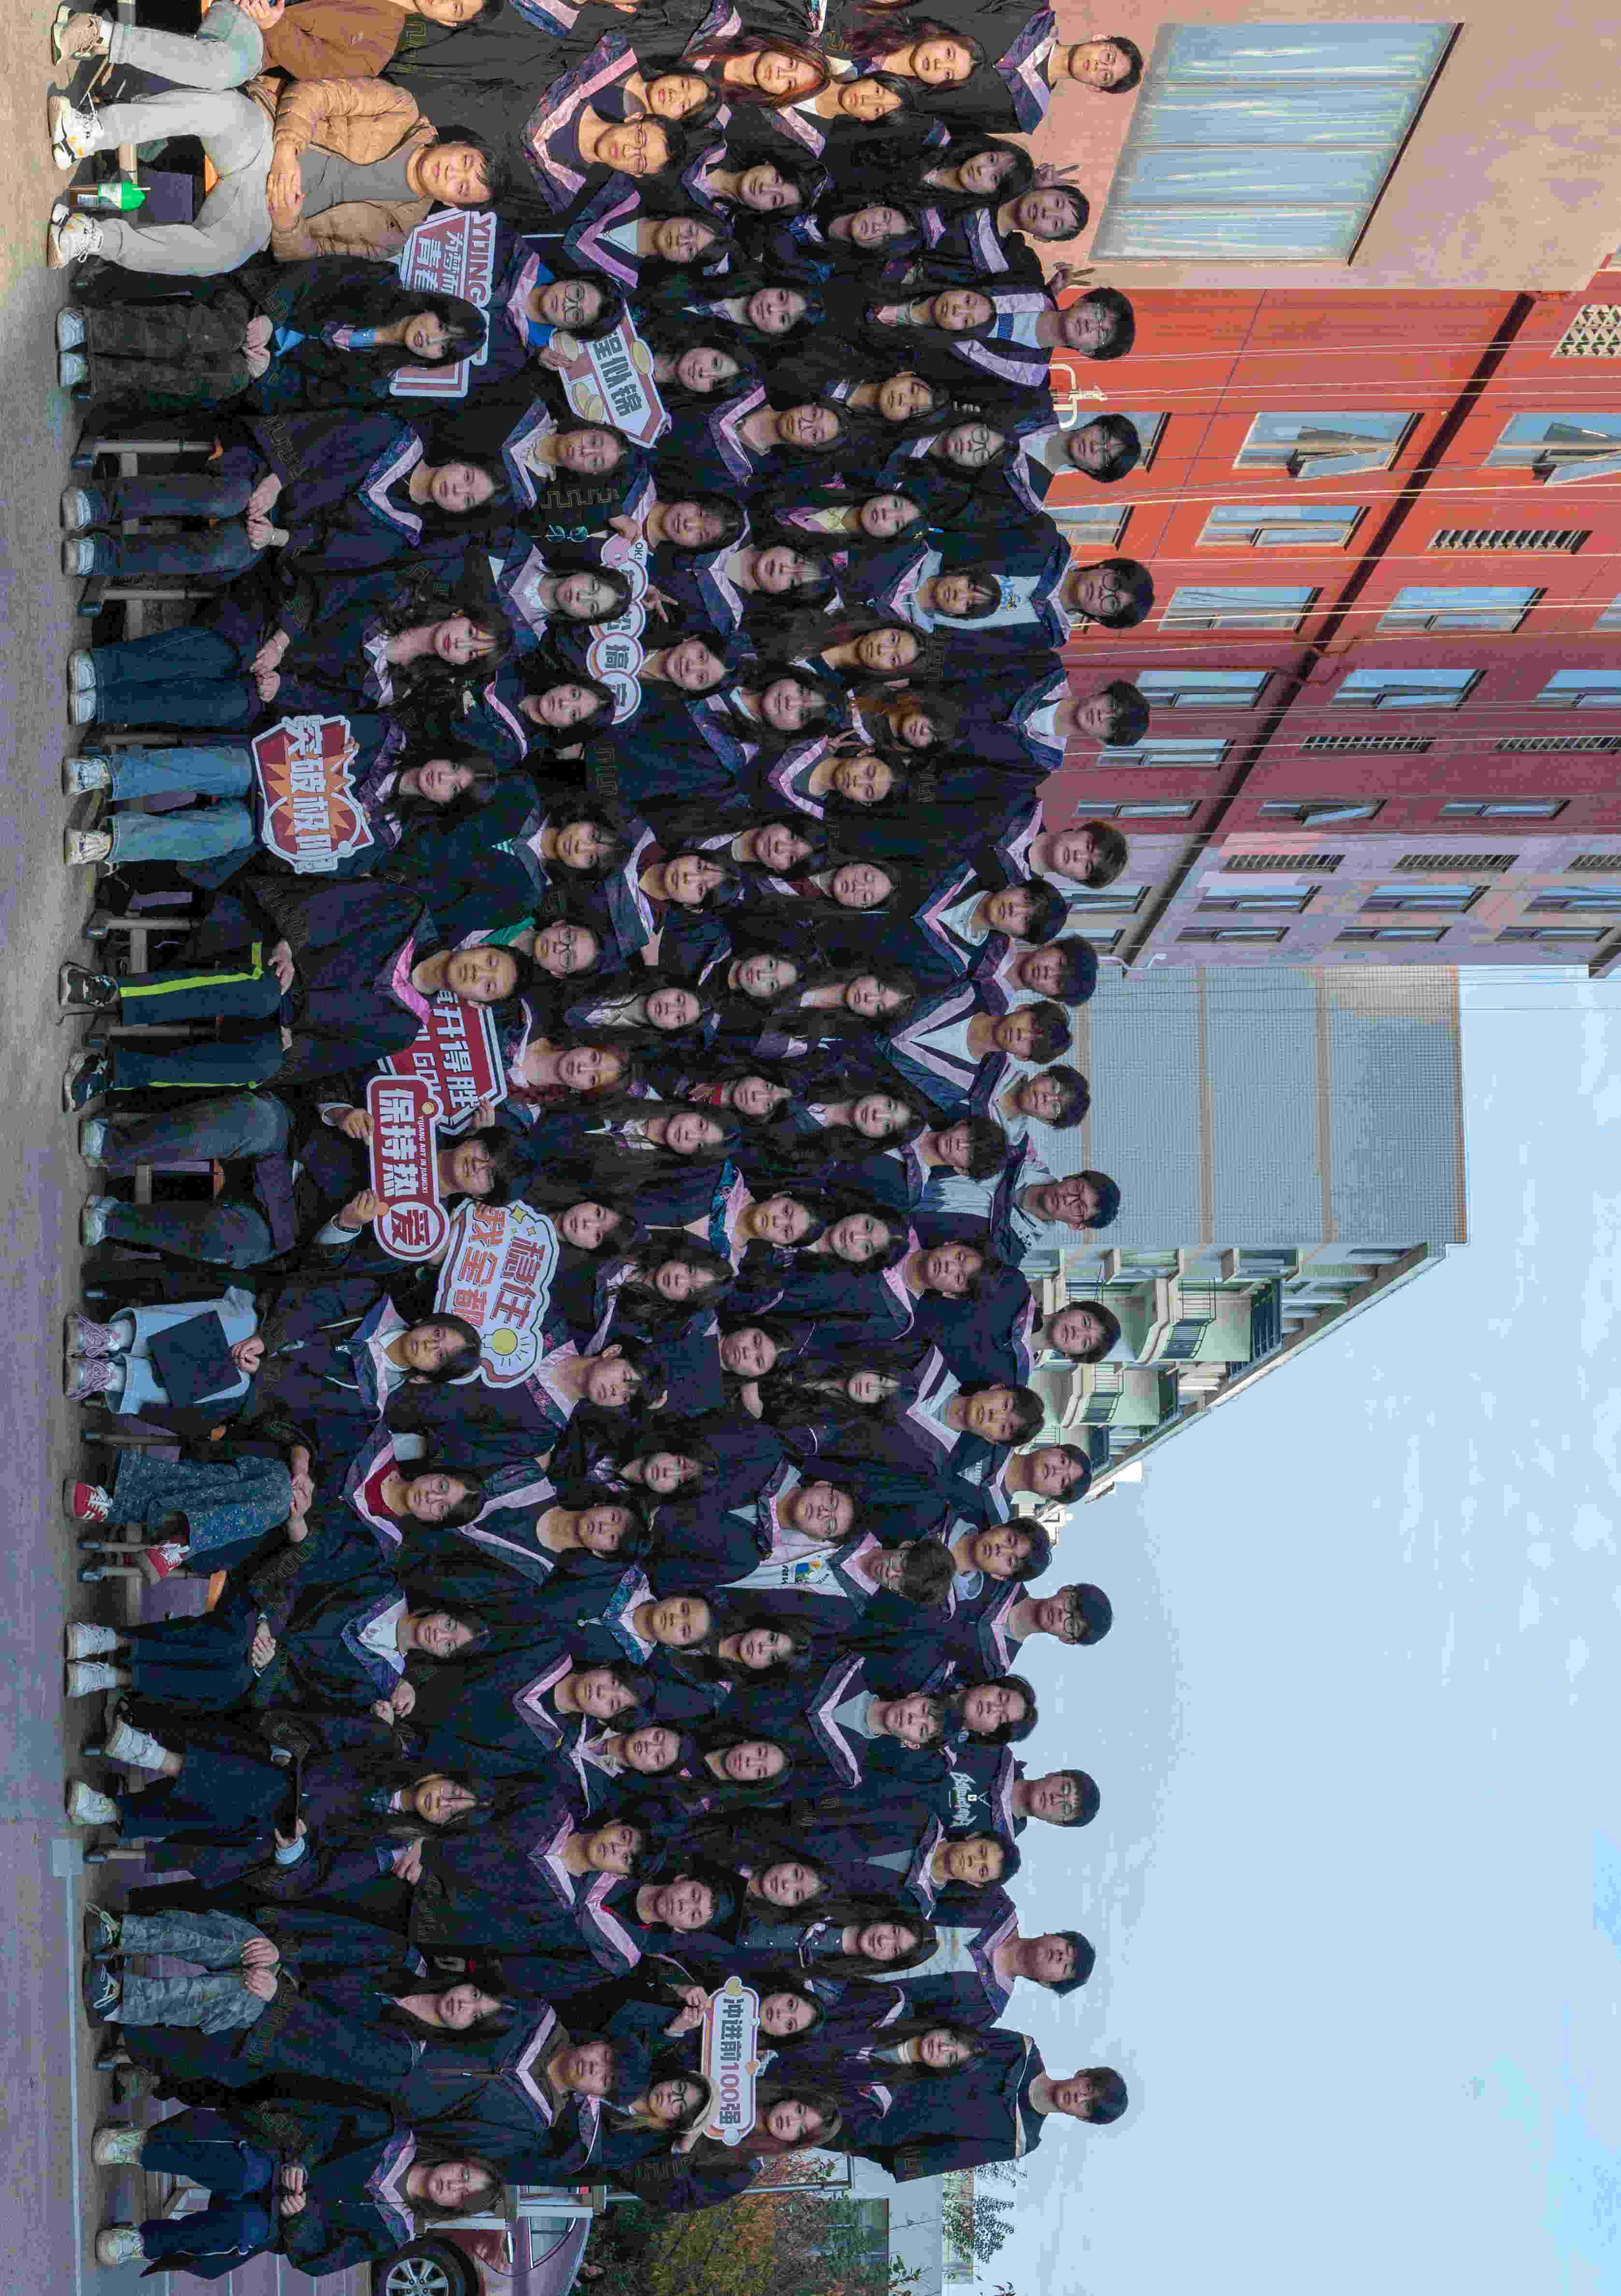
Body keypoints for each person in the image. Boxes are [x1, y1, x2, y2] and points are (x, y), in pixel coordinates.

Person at [49, 50, 506, 274]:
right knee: (225, 112)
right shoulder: (402, 110)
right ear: (458, 144)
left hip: (264, 212)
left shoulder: (393, 236)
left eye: (463, 187)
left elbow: (307, 253)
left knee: (223, 255)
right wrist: (287, 150)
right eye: (465, 162)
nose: (454, 174)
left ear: (455, 204)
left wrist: (287, 225)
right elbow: (316, 93)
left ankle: (93, 237)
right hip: (266, 137)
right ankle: (90, 132)